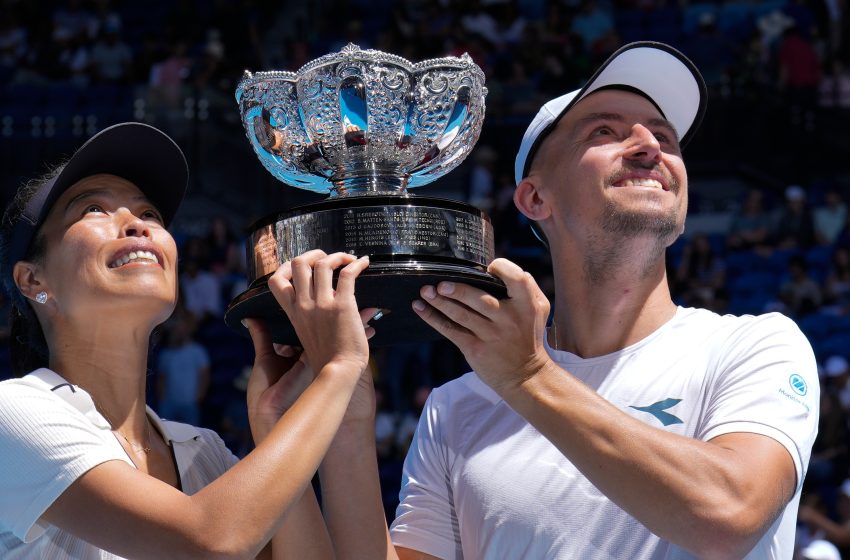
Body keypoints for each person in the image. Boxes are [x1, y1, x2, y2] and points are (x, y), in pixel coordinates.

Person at [308, 42, 820, 559]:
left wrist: (530, 377)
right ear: (535, 199)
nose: (649, 145)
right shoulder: (457, 405)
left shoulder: (755, 345)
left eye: (664, 136)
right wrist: (346, 421)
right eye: (605, 130)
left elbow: (730, 516)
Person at [0, 121, 377, 558]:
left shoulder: (204, 451)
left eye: (149, 214)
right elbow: (209, 542)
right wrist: (338, 367)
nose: (137, 225)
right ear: (32, 279)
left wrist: (272, 420)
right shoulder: (15, 412)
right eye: (93, 210)